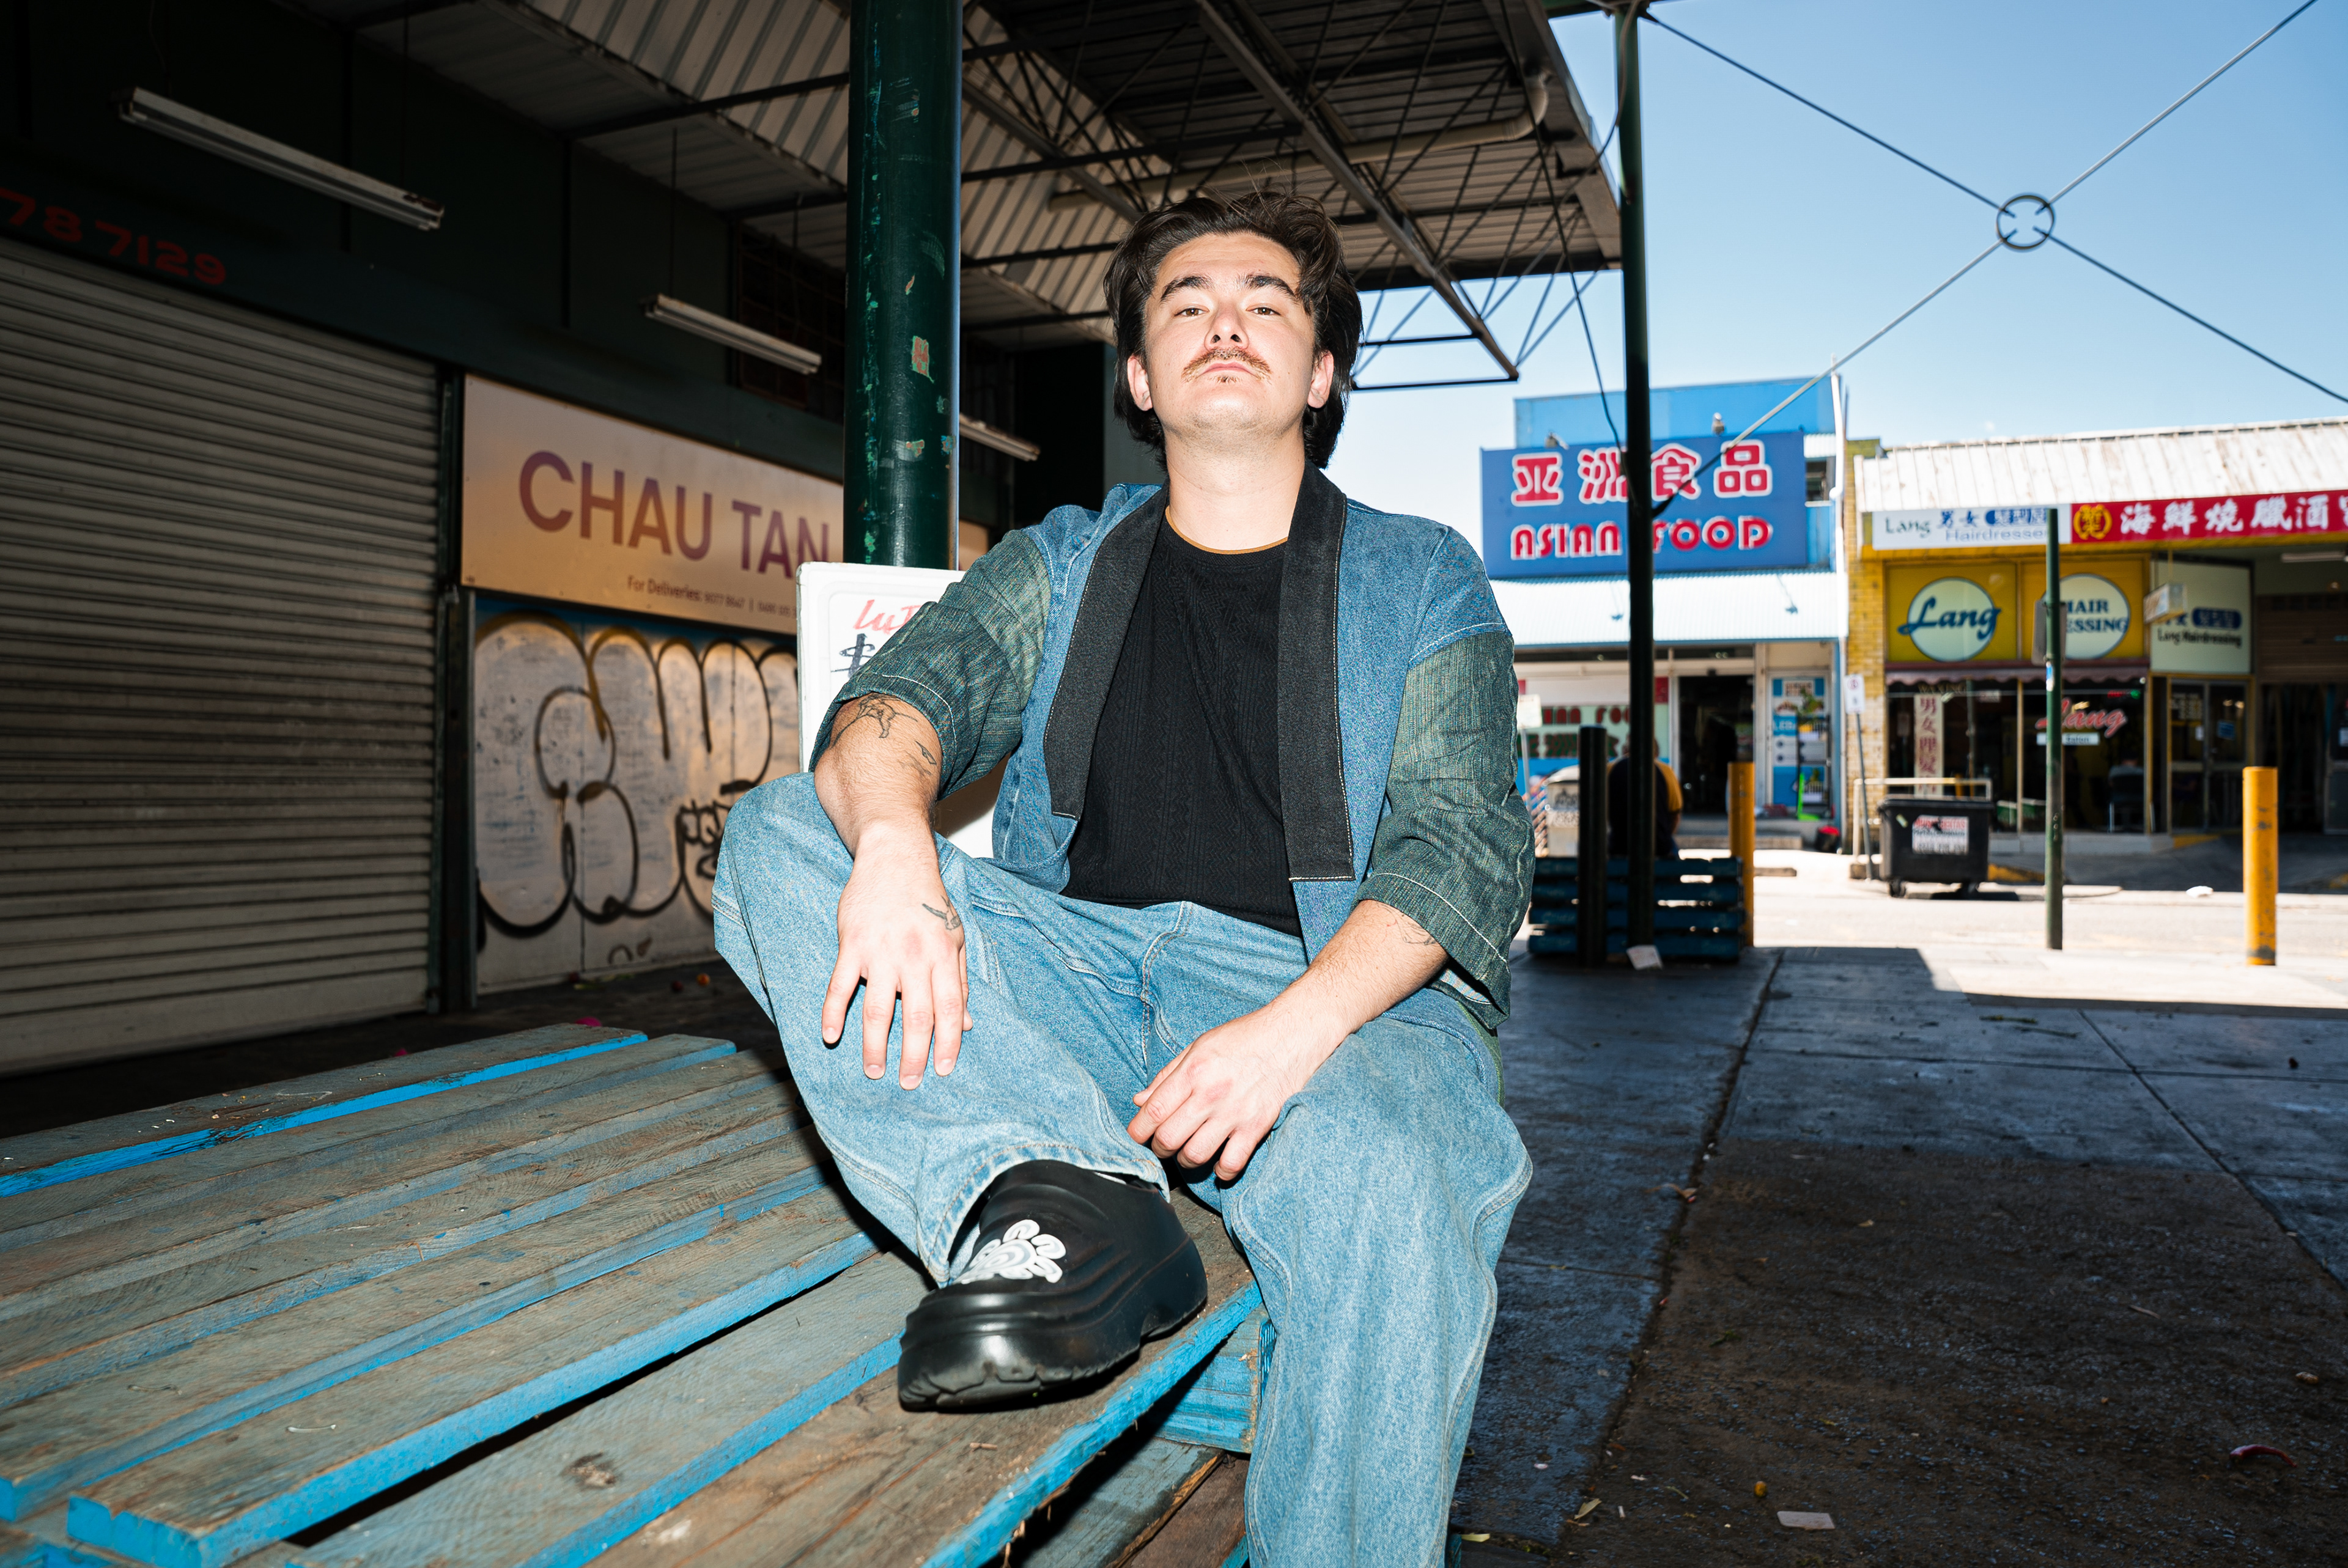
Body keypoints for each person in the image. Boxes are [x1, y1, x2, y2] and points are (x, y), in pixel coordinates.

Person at [712, 191, 1532, 1566]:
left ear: (1321, 375)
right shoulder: (1065, 560)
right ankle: (1062, 1192)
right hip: (1076, 969)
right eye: (1187, 303)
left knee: (1391, 1185)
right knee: (787, 831)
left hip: (1331, 994)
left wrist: (1285, 1037)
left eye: (1268, 302)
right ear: (1142, 379)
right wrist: (899, 850)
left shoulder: (1421, 576)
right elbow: (894, 707)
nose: (1228, 322)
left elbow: (1460, 848)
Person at [1606, 737, 1682, 858]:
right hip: (1658, 846)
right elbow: (1675, 816)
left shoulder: (1611, 768)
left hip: (1620, 845)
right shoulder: (1665, 771)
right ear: (1656, 754)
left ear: (1626, 751)